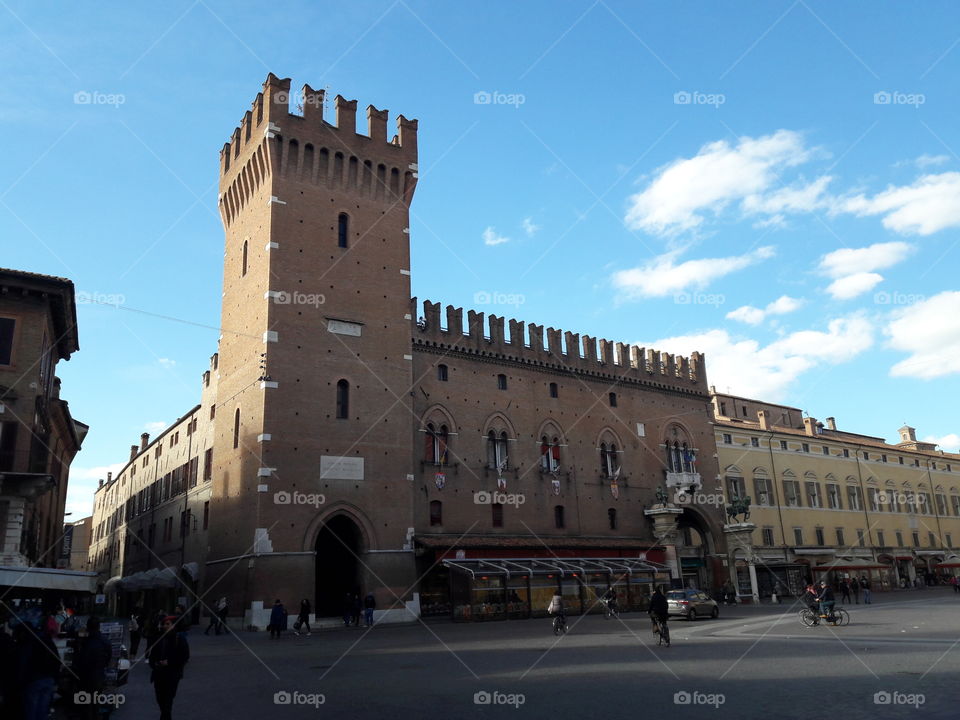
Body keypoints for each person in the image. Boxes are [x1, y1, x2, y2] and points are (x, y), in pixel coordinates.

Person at [18, 614, 62, 720]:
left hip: (34, 680)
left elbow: (23, 662)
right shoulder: (46, 641)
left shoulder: (29, 643)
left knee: (31, 712)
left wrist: (20, 680)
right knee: (42, 711)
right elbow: (57, 660)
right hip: (48, 680)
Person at [149, 616, 189, 720]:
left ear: (173, 625)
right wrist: (155, 663)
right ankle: (165, 715)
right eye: (164, 624)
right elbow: (152, 656)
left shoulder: (179, 638)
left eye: (168, 624)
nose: (165, 626)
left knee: (168, 701)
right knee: (160, 699)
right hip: (158, 674)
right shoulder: (158, 637)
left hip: (172, 675)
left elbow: (185, 656)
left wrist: (169, 662)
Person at [74, 616, 112, 720]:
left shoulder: (88, 642)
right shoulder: (105, 640)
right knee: (95, 702)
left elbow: (81, 660)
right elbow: (109, 656)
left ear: (88, 627)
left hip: (88, 675)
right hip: (99, 674)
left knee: (87, 704)